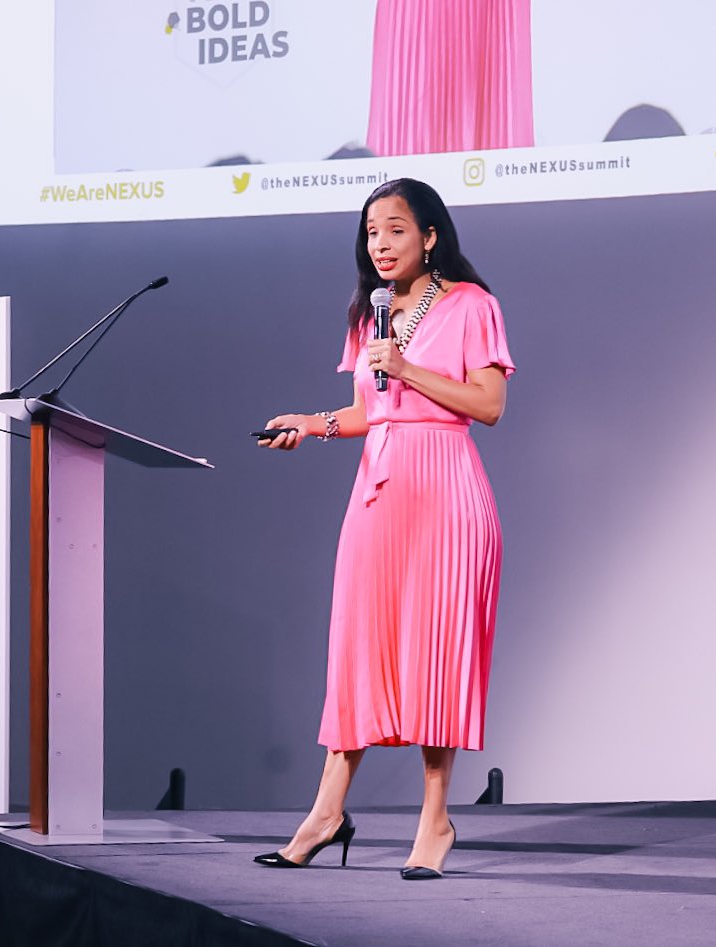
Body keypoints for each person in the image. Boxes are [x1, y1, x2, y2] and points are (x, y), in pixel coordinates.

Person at [253, 178, 514, 879]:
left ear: (429, 236)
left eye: (396, 229)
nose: (381, 244)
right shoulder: (367, 314)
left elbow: (487, 404)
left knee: (434, 658)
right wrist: (316, 423)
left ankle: (435, 820)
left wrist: (409, 365)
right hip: (377, 495)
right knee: (357, 654)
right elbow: (375, 409)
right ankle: (327, 810)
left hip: (446, 498)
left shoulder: (469, 305)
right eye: (372, 232)